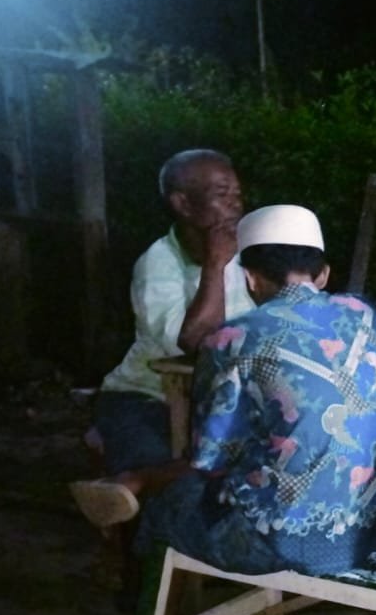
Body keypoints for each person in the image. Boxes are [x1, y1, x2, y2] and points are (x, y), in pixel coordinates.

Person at [98, 204, 376, 615]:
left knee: (165, 511)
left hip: (278, 543)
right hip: (368, 529)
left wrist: (142, 478)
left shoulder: (234, 337)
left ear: (249, 278)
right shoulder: (365, 315)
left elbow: (210, 459)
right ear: (323, 273)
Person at [71, 149, 256, 524]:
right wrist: (215, 266)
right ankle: (148, 546)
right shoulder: (158, 263)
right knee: (173, 487)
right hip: (145, 396)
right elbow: (193, 344)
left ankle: (133, 483)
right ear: (182, 203)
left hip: (218, 398)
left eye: (237, 194)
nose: (235, 205)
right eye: (222, 194)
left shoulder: (245, 256)